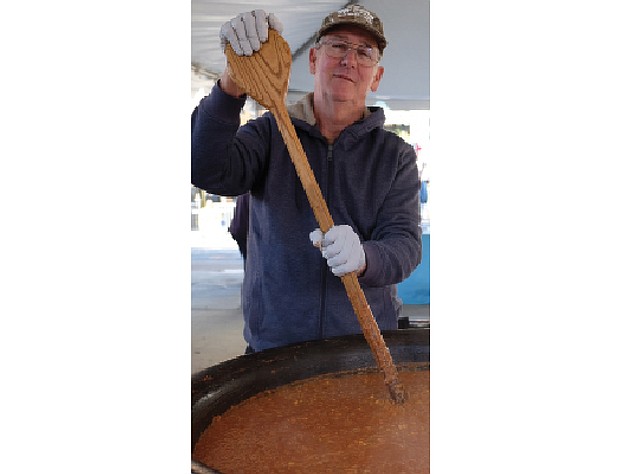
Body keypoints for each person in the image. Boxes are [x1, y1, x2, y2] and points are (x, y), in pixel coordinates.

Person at [191, 5, 422, 352]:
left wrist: (365, 258)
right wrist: (231, 83)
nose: (349, 60)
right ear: (313, 59)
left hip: (363, 349)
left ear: (376, 76)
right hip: (275, 347)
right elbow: (204, 167)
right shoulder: (269, 134)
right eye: (338, 46)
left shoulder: (395, 156)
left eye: (364, 52)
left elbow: (405, 246)